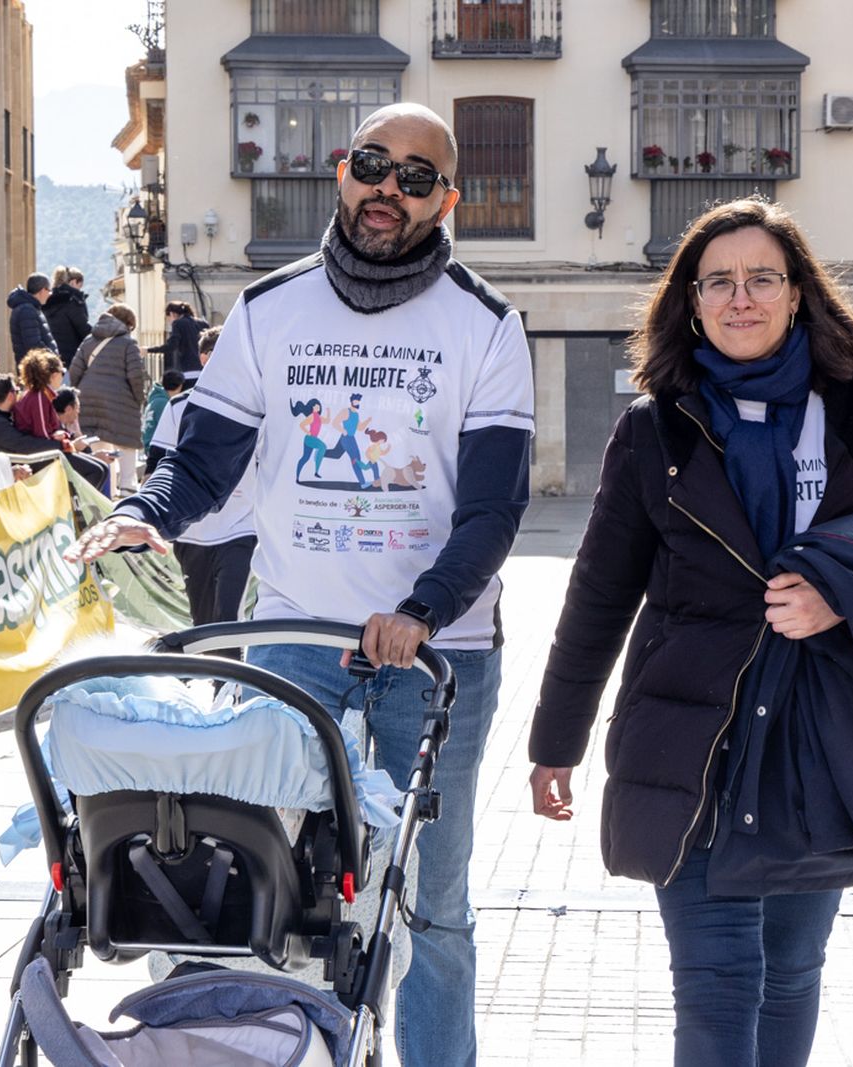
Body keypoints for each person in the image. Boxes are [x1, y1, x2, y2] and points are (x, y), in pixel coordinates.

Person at [67, 102, 534, 1067]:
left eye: (415, 178)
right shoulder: (269, 311)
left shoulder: (487, 326)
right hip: (292, 637)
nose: (387, 190)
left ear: (446, 201)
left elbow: (491, 511)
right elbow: (202, 465)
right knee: (238, 869)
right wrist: (144, 514)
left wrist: (421, 610)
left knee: (432, 904)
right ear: (341, 169)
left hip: (437, 650)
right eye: (374, 165)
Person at [528, 198, 853, 1067]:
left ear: (798, 296)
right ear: (690, 302)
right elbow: (601, 592)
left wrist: (843, 600)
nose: (740, 297)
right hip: (692, 745)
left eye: (762, 278)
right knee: (716, 989)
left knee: (791, 973)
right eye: (719, 280)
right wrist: (555, 739)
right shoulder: (654, 430)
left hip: (825, 744)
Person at [147, 323, 257, 627]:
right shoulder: (179, 407)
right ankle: (208, 673)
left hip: (241, 528)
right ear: (204, 358)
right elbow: (157, 467)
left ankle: (232, 676)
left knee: (228, 619)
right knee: (203, 622)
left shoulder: (262, 410)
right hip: (191, 532)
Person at [0, 374, 111, 494]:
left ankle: (79, 510)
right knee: (95, 471)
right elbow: (24, 445)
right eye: (17, 392)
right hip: (22, 465)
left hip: (33, 459)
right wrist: (61, 445)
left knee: (102, 468)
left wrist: (58, 436)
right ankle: (76, 513)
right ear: (10, 396)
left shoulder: (9, 414)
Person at [68, 303, 146, 493]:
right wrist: (139, 399)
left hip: (88, 398)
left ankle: (104, 492)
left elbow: (74, 371)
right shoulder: (128, 343)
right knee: (126, 446)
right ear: (127, 323)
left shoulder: (89, 340)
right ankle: (127, 488)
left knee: (99, 448)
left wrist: (80, 393)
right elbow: (136, 375)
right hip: (121, 400)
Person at [14, 349, 68, 442]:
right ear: (54, 375)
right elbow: (43, 434)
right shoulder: (39, 397)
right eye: (62, 372)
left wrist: (64, 435)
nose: (63, 376)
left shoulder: (41, 394)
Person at [43, 266, 91, 367]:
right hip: (72, 357)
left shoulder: (46, 301)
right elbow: (84, 329)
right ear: (73, 282)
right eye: (80, 286)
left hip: (51, 357)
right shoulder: (72, 301)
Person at [146, 300, 208, 379]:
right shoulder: (203, 323)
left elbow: (171, 345)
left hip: (188, 370)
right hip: (204, 370)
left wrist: (148, 350)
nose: (169, 322)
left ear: (171, 314)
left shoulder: (178, 323)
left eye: (168, 319)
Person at [8, 273, 58, 358]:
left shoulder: (31, 308)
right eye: (49, 290)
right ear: (42, 290)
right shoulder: (27, 311)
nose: (50, 294)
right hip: (36, 368)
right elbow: (34, 345)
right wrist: (52, 358)